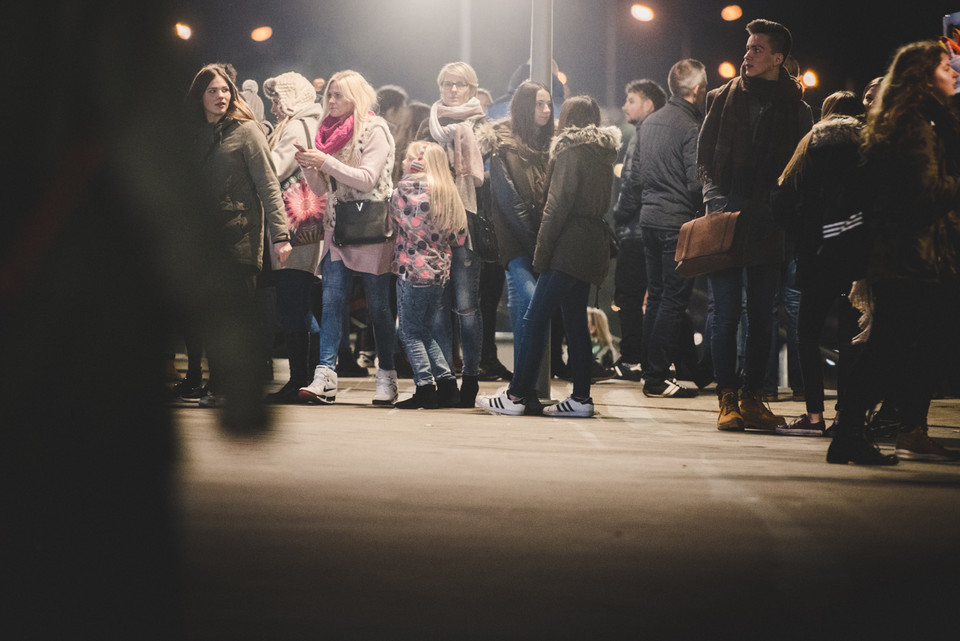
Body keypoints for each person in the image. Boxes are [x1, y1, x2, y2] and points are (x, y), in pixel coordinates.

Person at [826, 41, 960, 464]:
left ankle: (852, 431)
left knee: (896, 347)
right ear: (922, 77)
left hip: (908, 254)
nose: (954, 71)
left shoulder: (913, 120)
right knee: (892, 349)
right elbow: (925, 195)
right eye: (944, 66)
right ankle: (849, 432)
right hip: (909, 256)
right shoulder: (917, 126)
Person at [697, 18, 812, 431]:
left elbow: (801, 171)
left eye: (757, 49)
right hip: (726, 216)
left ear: (777, 58)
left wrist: (783, 212)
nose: (747, 55)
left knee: (763, 315)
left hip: (768, 223)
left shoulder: (798, 110)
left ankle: (753, 398)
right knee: (726, 312)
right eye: (747, 47)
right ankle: (726, 399)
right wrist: (715, 204)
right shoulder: (720, 98)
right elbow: (705, 159)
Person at [479, 96, 621, 418]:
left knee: (534, 317)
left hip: (568, 245)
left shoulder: (569, 151)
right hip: (592, 243)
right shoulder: (604, 152)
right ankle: (580, 399)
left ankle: (515, 396)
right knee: (575, 324)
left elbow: (557, 206)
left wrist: (541, 255)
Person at [187, 63, 292, 408]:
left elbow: (268, 185)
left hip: (240, 237)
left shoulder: (247, 132)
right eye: (212, 90)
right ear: (199, 96)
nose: (221, 96)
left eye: (225, 90)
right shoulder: (194, 134)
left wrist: (280, 235)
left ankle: (231, 389)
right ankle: (216, 385)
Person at [295, 69, 399, 406]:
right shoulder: (327, 134)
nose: (332, 100)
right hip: (338, 227)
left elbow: (367, 179)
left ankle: (388, 376)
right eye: (330, 94)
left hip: (371, 226)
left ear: (357, 96)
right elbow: (323, 189)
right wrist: (310, 166)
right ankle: (325, 374)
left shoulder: (375, 128)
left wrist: (324, 160)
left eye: (339, 94)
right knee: (331, 300)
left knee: (379, 307)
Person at [772, 91, 866, 436]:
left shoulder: (809, 146)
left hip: (817, 257)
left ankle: (814, 417)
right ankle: (848, 416)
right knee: (851, 339)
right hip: (857, 259)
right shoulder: (870, 149)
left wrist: (809, 237)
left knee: (807, 334)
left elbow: (781, 201)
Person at [619, 60, 707, 398]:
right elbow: (695, 182)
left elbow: (636, 178)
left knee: (655, 297)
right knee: (673, 300)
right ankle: (656, 376)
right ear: (698, 90)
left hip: (649, 221)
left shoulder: (650, 123)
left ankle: (650, 371)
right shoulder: (690, 126)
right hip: (677, 224)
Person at [419, 61, 497, 407]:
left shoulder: (483, 127)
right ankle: (444, 377)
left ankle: (471, 377)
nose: (452, 90)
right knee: (436, 307)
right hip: (432, 223)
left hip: (467, 222)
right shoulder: (428, 124)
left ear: (471, 88)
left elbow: (488, 182)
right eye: (447, 83)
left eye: (460, 84)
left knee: (466, 306)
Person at [261, 71, 326, 403]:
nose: (273, 107)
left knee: (293, 304)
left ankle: (302, 377)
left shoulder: (298, 126)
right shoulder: (304, 123)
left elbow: (273, 168)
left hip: (296, 227)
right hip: (303, 227)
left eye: (276, 98)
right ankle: (307, 378)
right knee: (298, 304)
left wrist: (253, 148)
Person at [391, 142, 469, 409]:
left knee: (409, 332)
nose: (402, 162)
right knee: (423, 330)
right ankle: (447, 384)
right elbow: (458, 237)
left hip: (411, 270)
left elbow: (393, 222)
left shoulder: (405, 189)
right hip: (438, 273)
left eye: (407, 157)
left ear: (417, 163)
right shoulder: (447, 193)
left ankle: (424, 387)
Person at [489, 81, 554, 376]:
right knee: (529, 305)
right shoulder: (504, 147)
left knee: (529, 309)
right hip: (517, 243)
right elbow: (510, 203)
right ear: (525, 107)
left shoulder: (549, 147)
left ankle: (523, 384)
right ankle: (521, 385)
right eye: (540, 104)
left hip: (543, 242)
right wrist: (537, 245)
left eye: (548, 104)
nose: (547, 110)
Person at [611, 79, 667, 382]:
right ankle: (660, 360)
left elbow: (631, 181)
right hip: (662, 226)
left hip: (636, 230)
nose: (624, 106)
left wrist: (619, 216)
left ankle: (631, 358)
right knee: (660, 295)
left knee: (629, 296)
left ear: (648, 105)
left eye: (631, 100)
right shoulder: (669, 133)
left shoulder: (641, 134)